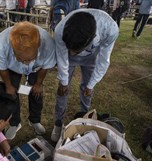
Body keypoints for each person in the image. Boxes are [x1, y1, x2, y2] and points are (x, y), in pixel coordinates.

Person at [51, 9, 119, 142]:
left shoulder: (110, 29)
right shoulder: (60, 29)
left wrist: (92, 84)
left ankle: (86, 118)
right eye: (69, 48)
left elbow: (103, 60)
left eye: (75, 50)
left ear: (92, 38)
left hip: (92, 57)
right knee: (62, 90)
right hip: (67, 58)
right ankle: (58, 123)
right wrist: (63, 82)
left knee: (87, 90)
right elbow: (63, 57)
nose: (71, 53)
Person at [0, 21, 56, 140]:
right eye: (21, 59)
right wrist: (9, 86)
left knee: (37, 92)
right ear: (12, 48)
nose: (26, 63)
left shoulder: (48, 43)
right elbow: (2, 67)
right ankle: (15, 123)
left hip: (36, 68)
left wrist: (38, 83)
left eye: (30, 59)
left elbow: (46, 65)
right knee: (11, 94)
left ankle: (35, 120)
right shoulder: (0, 44)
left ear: (38, 47)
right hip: (12, 68)